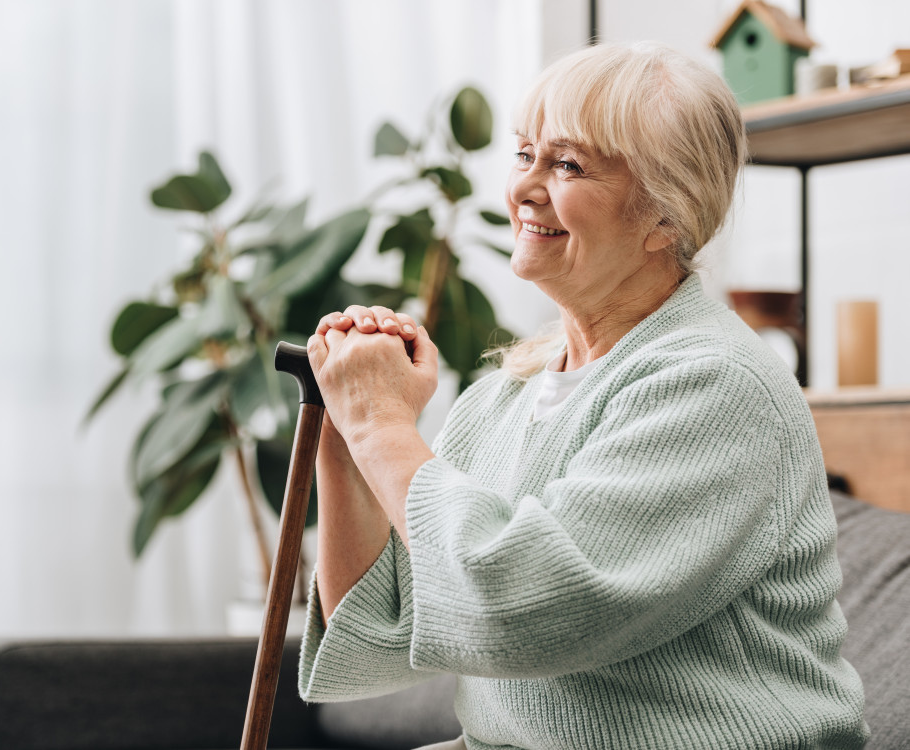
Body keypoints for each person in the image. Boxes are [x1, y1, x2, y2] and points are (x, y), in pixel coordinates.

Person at [298, 42, 869, 749]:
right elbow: (379, 638)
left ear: (667, 214)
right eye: (524, 154)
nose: (525, 188)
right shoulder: (502, 398)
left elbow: (520, 610)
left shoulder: (716, 387)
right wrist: (346, 433)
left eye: (568, 164)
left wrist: (383, 425)